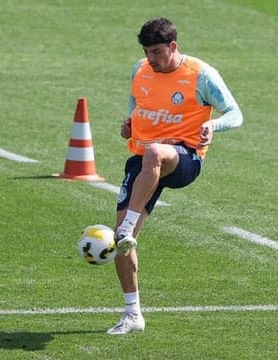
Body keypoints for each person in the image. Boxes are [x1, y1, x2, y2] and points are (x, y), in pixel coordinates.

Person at [106, 17, 244, 335]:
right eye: (146, 51)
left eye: (156, 51)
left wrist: (213, 125)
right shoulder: (140, 69)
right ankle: (132, 314)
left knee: (156, 153)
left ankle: (128, 226)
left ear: (173, 46)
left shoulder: (201, 75)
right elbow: (136, 103)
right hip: (142, 163)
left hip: (183, 157)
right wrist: (128, 123)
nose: (151, 59)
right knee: (121, 242)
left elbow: (236, 113)